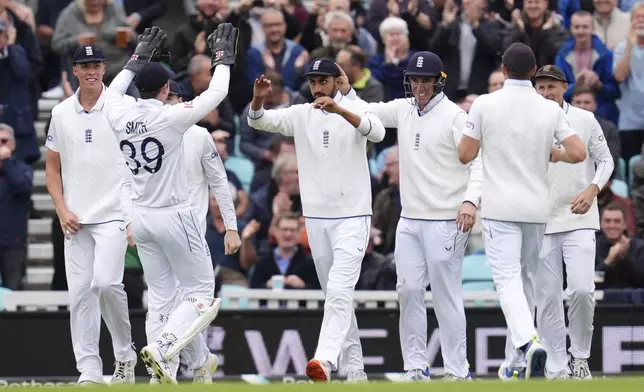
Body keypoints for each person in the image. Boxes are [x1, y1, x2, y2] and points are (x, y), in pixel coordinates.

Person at [103, 25, 241, 384]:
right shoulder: (171, 117)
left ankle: (161, 366)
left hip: (142, 216)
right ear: (166, 90)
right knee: (202, 296)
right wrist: (222, 58)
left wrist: (135, 58)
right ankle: (164, 348)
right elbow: (218, 91)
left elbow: (112, 90)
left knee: (162, 298)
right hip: (175, 214)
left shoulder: (119, 114)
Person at [340, 52, 481, 381]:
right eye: (415, 80)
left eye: (425, 80)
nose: (419, 86)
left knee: (446, 296)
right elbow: (367, 110)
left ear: (438, 82)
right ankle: (416, 367)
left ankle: (458, 371)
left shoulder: (455, 117)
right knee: (408, 291)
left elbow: (478, 161)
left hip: (447, 219)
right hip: (411, 220)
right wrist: (345, 93)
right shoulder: (403, 110)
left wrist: (470, 201)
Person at [248, 57, 386, 382]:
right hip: (317, 220)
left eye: (323, 81)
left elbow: (377, 133)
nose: (317, 88)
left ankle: (323, 360)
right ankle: (355, 370)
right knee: (337, 296)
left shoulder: (357, 108)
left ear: (337, 82)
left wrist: (341, 111)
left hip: (353, 216)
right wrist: (257, 98)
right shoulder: (300, 115)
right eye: (313, 82)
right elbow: (258, 121)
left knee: (339, 289)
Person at [457, 42, 588, 380]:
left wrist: (484, 136)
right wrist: (551, 154)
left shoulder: (485, 104)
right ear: (533, 73)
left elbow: (465, 155)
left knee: (507, 281)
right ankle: (515, 361)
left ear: (503, 70)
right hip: (537, 210)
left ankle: (528, 344)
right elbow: (577, 152)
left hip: (500, 207)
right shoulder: (549, 108)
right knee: (526, 281)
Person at [44, 45, 136, 385]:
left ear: (104, 68)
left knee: (107, 284)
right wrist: (61, 209)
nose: (92, 70)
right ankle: (90, 371)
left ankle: (125, 355)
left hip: (112, 213)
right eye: (85, 65)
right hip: (75, 220)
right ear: (75, 70)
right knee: (81, 295)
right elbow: (52, 170)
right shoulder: (61, 113)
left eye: (97, 63)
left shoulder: (122, 106)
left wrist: (130, 215)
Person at [139, 79, 239, 384]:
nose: (172, 105)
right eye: (168, 99)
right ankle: (188, 365)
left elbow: (219, 181)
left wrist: (231, 227)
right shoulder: (148, 135)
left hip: (192, 230)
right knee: (160, 302)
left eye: (177, 99)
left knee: (189, 300)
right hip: (158, 227)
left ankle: (181, 362)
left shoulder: (198, 136)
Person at [533, 65, 614, 380]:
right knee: (548, 297)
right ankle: (555, 366)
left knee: (581, 290)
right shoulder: (529, 123)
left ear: (564, 87)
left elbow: (605, 159)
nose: (546, 92)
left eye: (551, 86)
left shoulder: (584, 119)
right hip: (540, 220)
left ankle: (579, 358)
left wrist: (592, 190)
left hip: (579, 217)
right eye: (540, 87)